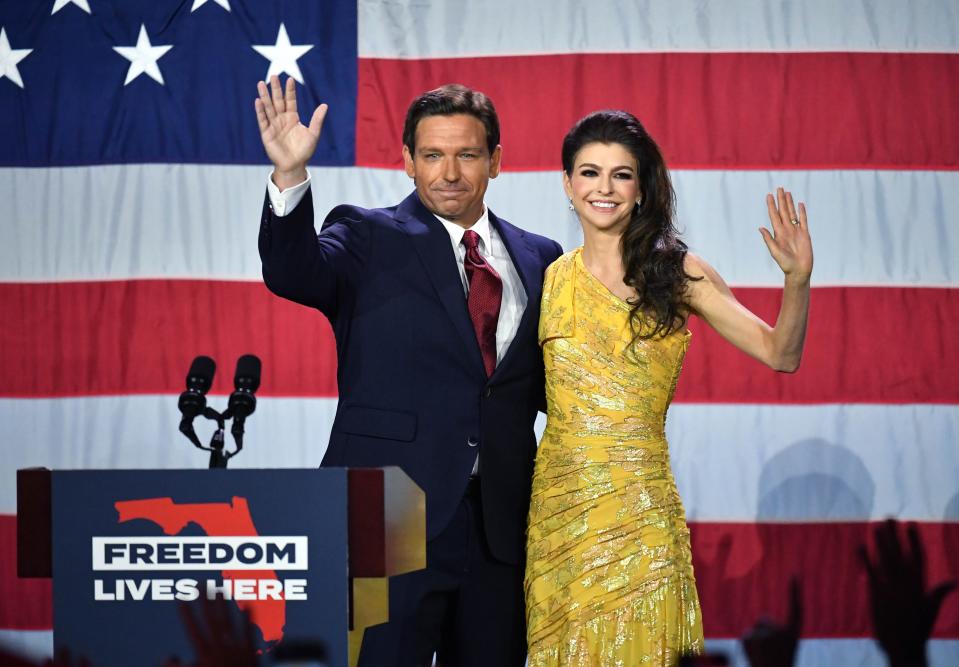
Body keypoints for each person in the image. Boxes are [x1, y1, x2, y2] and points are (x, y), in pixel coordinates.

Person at [254, 76, 563, 666]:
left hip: (502, 525)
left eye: (467, 154)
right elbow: (293, 271)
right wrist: (290, 176)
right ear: (407, 161)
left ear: (496, 161)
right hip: (388, 518)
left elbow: (553, 382)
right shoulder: (368, 235)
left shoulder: (541, 257)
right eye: (432, 155)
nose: (449, 172)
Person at [524, 110, 813, 665]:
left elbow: (782, 354)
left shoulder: (679, 273)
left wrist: (796, 280)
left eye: (620, 174)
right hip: (558, 517)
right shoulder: (549, 277)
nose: (603, 188)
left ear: (641, 187)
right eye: (589, 173)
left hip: (640, 512)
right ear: (567, 183)